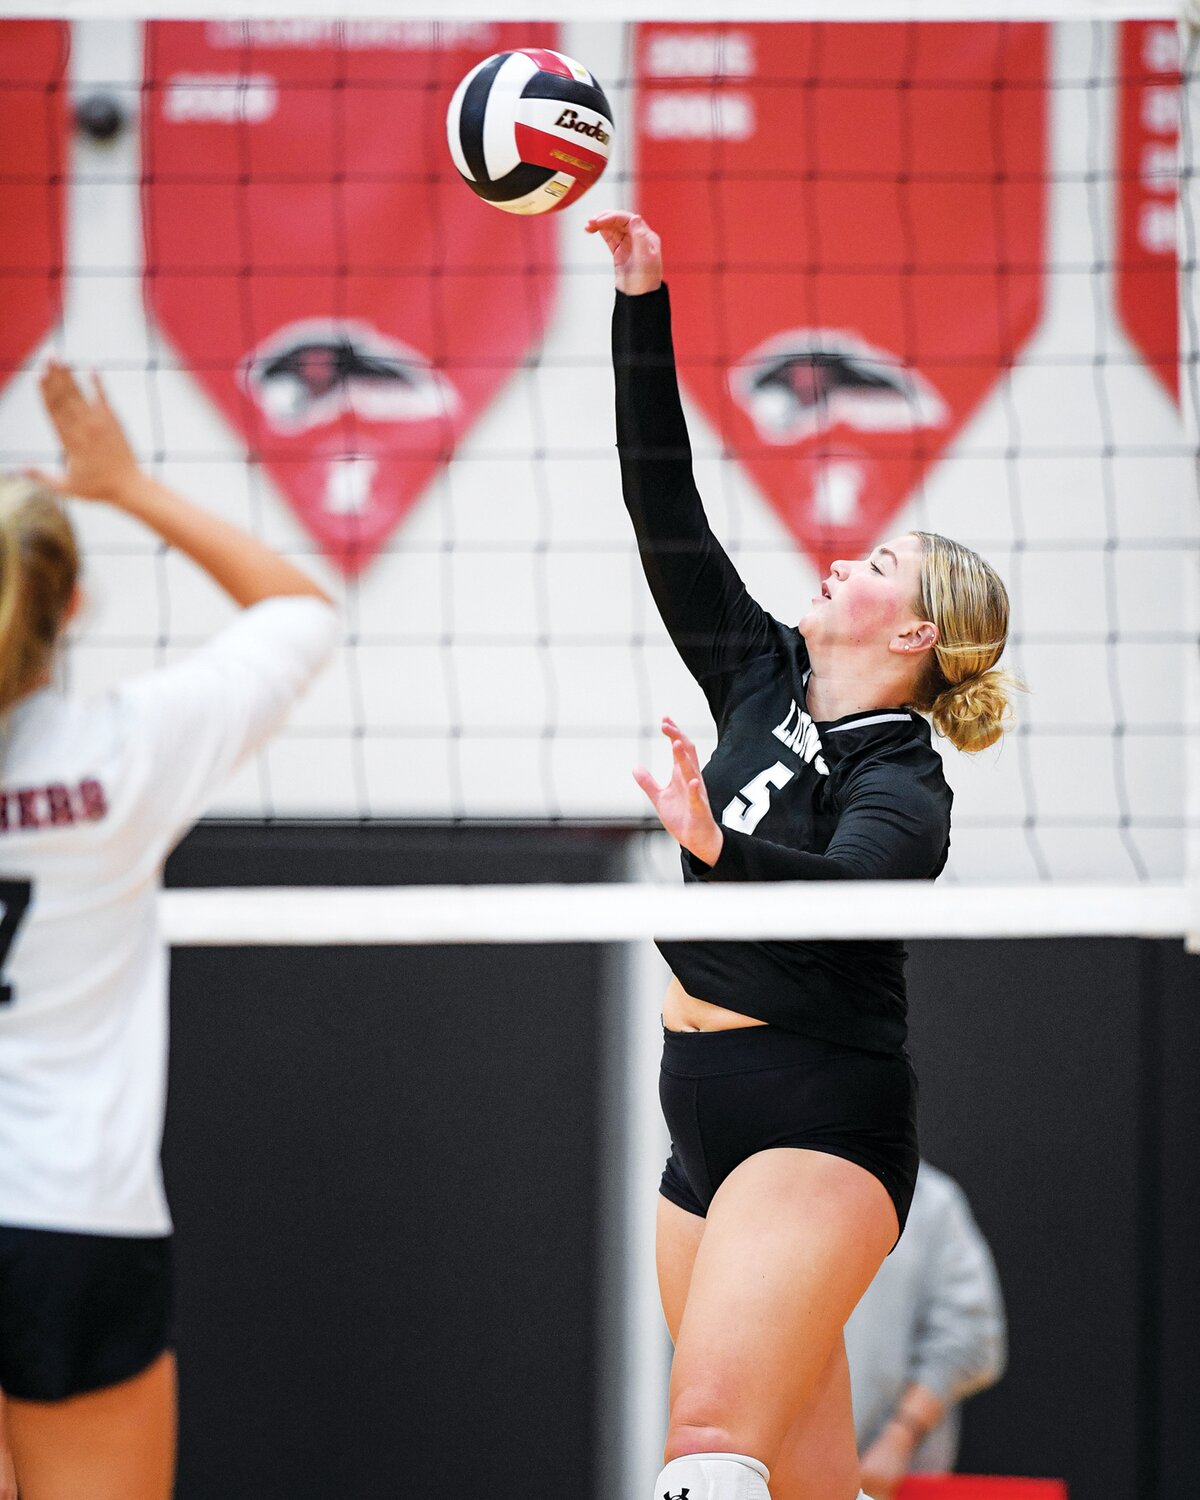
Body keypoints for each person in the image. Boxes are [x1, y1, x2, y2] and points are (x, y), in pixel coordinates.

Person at [585, 209, 1018, 1500]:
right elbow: (661, 501)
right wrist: (642, 301)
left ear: (919, 639)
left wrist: (720, 847)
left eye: (879, 563)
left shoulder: (903, 781)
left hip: (819, 1119)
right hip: (696, 1120)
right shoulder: (757, 669)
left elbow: (855, 894)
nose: (843, 557)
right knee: (806, 1481)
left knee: (706, 1447)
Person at [0, 363, 339, 1500]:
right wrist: (127, 486)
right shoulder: (121, 757)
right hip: (74, 1223)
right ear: (74, 604)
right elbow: (298, 610)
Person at [845, 1161, 1006, 1500]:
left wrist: (898, 1438)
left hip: (885, 1478)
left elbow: (970, 1336)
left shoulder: (930, 1201)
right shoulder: (751, 1186)